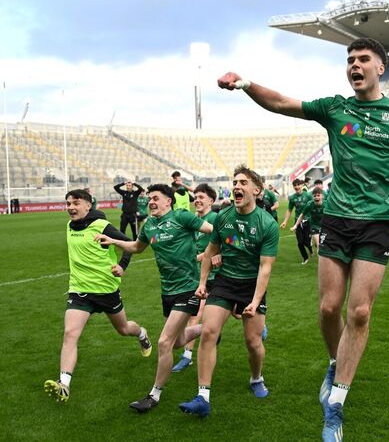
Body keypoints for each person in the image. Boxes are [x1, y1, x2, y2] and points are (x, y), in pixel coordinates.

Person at [217, 37, 389, 441]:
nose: (355, 65)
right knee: (327, 308)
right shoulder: (336, 108)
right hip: (337, 219)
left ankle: (335, 404)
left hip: (378, 222)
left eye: (363, 60)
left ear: (380, 67)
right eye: (350, 60)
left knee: (359, 313)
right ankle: (335, 362)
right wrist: (246, 83)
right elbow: (283, 103)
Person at [95, 184, 213, 413]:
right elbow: (137, 247)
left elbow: (212, 231)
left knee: (164, 342)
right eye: (149, 198)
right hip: (167, 291)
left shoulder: (182, 216)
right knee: (178, 341)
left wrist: (216, 253)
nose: (151, 201)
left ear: (168, 201)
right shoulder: (149, 225)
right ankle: (208, 328)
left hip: (187, 288)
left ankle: (154, 395)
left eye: (156, 198)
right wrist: (114, 241)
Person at [179, 166, 279, 417]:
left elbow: (265, 268)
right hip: (224, 282)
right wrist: (202, 283)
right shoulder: (223, 216)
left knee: (253, 342)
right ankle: (203, 396)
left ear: (256, 190)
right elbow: (210, 252)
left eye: (243, 182)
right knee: (210, 331)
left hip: (251, 284)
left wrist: (255, 302)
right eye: (235, 182)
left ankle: (256, 378)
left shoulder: (267, 223)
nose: (237, 186)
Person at [44, 189, 152, 403]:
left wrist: (122, 267)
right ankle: (64, 384)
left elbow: (129, 246)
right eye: (68, 204)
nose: (71, 208)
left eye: (75, 203)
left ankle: (142, 334)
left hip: (106, 289)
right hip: (79, 290)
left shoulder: (102, 226)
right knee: (70, 334)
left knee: (123, 329)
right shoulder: (69, 226)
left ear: (88, 205)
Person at [172, 184, 220, 373]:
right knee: (195, 314)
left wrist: (209, 255)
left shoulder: (215, 218)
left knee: (237, 311)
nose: (197, 200)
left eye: (201, 197)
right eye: (195, 197)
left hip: (219, 275)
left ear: (211, 200)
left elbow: (228, 240)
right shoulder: (193, 220)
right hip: (200, 276)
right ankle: (187, 356)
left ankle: (258, 321)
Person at [281, 178, 313, 264]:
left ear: (302, 185)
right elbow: (289, 210)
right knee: (300, 242)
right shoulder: (292, 198)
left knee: (306, 241)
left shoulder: (308, 195)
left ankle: (310, 248)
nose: (296, 187)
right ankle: (305, 258)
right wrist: (285, 221)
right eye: (295, 185)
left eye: (298, 185)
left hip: (308, 221)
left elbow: (313, 207)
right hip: (297, 222)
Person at [293, 188, 326, 257]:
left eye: (318, 195)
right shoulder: (310, 205)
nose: (316, 197)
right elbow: (302, 215)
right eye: (314, 196)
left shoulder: (327, 204)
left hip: (325, 226)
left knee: (325, 245)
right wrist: (296, 225)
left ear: (322, 196)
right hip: (314, 226)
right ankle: (321, 263)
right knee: (319, 245)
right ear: (312, 197)